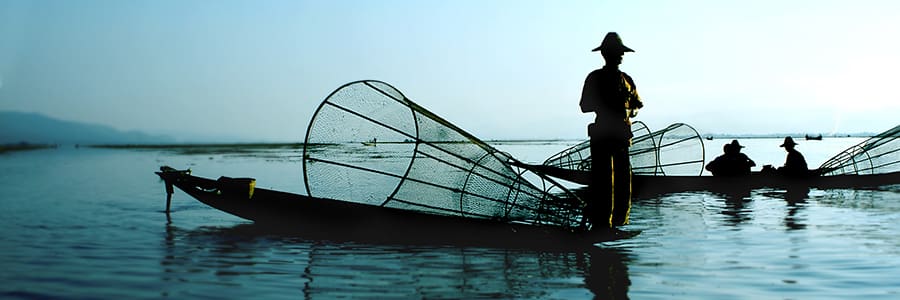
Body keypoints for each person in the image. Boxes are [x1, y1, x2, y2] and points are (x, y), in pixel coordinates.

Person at [579, 32, 643, 231]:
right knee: (603, 180)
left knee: (624, 180)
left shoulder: (627, 80)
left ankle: (618, 223)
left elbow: (637, 105)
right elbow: (584, 106)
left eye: (622, 52)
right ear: (606, 54)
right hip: (602, 136)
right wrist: (608, 106)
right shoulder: (595, 78)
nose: (621, 55)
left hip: (622, 136)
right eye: (618, 52)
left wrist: (629, 110)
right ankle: (601, 224)